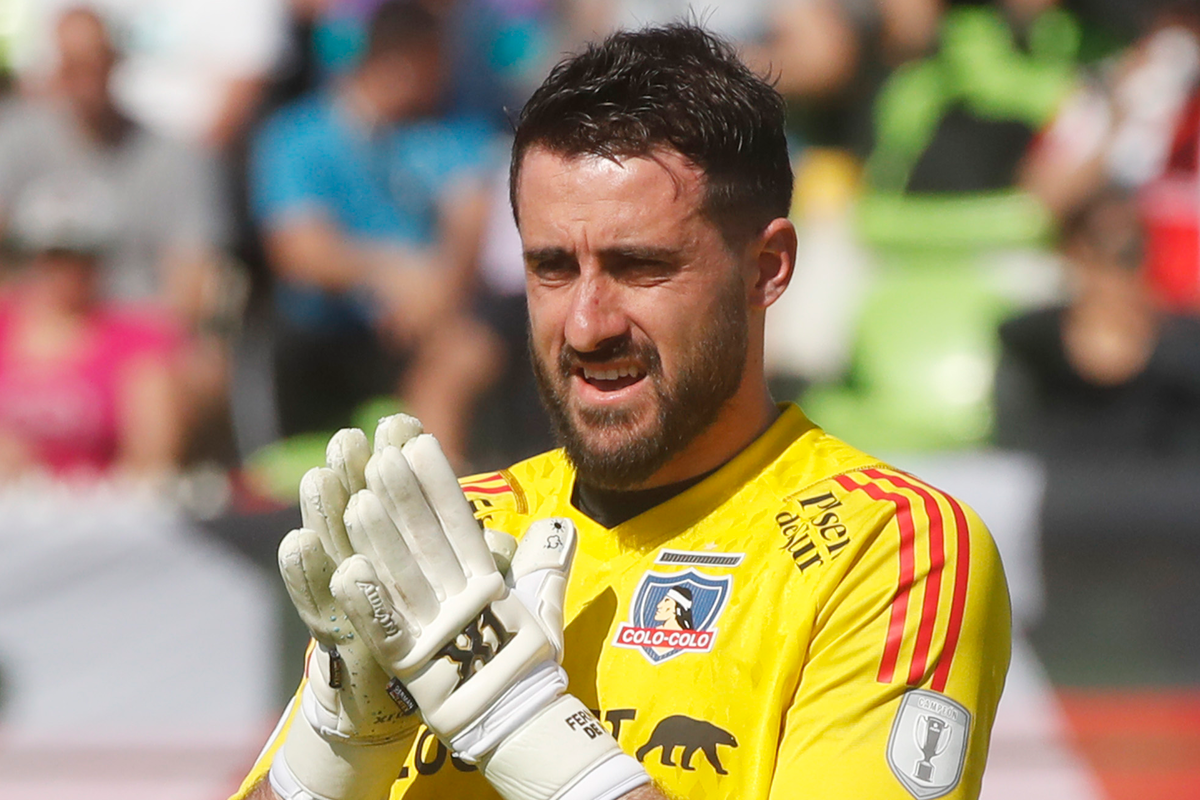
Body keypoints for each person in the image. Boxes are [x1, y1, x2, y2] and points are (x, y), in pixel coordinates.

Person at [233, 23, 1011, 800]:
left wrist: (519, 720)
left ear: (767, 269)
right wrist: (336, 751)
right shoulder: (450, 539)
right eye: (552, 268)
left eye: (639, 266)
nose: (586, 323)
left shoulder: (890, 548)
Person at [249, 0, 501, 465]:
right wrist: (391, 274)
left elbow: (471, 220)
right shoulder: (298, 136)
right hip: (325, 336)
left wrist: (432, 291)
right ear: (406, 62)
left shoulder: (453, 134)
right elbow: (298, 254)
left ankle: (445, 493)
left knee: (464, 353)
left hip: (424, 322)